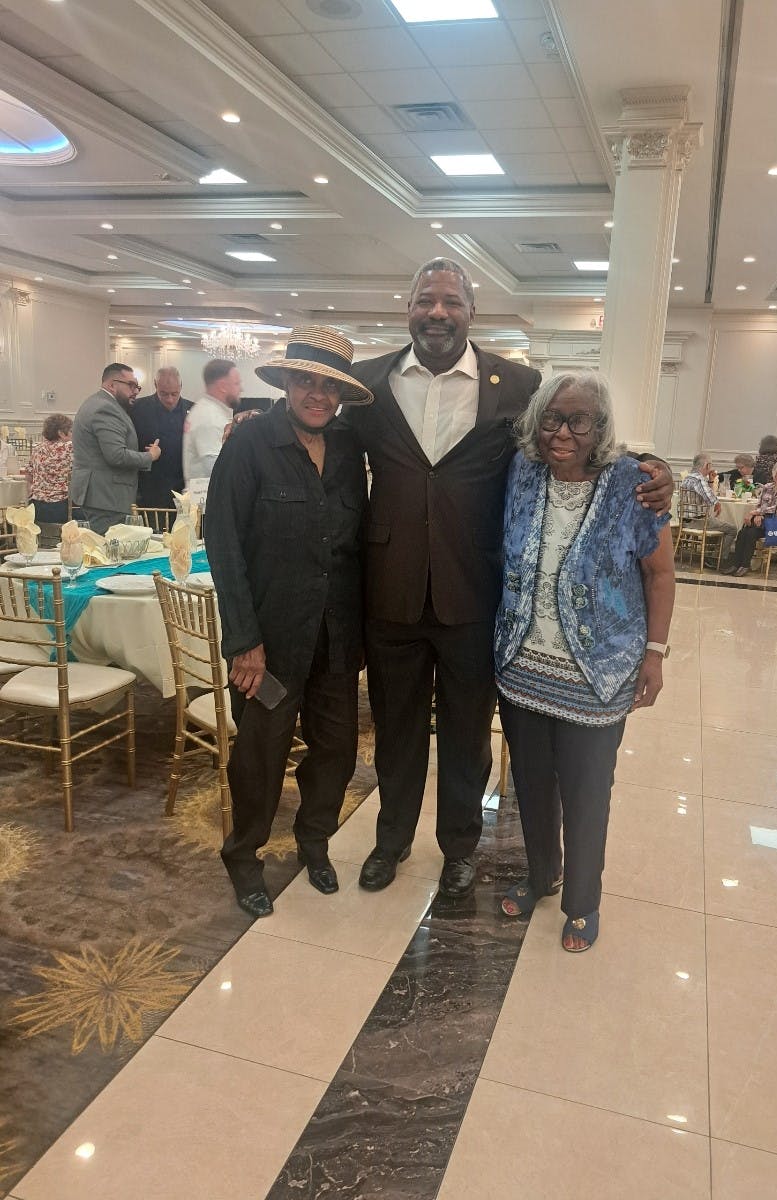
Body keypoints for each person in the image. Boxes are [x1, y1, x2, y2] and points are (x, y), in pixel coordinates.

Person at [342, 257, 673, 899]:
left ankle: (459, 847)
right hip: (391, 590)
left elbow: (581, 437)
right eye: (425, 300)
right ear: (406, 307)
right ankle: (391, 840)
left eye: (451, 302)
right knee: (397, 729)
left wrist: (652, 467)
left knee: (467, 735)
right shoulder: (366, 384)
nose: (437, 312)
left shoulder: (518, 382)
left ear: (472, 312)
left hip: (477, 595)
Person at [494, 373, 674, 952]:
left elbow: (660, 572)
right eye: (552, 418)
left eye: (579, 421)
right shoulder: (522, 471)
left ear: (600, 429)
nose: (563, 432)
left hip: (599, 674)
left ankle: (582, 902)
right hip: (523, 667)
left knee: (587, 791)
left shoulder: (634, 485)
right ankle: (541, 874)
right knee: (532, 785)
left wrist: (655, 653)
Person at [205, 327, 373, 918]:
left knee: (335, 753)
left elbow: (354, 548)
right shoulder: (249, 444)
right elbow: (222, 545)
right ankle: (244, 856)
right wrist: (243, 641)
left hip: (334, 639)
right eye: (306, 379)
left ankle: (314, 842)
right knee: (259, 757)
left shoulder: (351, 450)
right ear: (285, 381)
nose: (318, 394)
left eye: (330, 385)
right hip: (269, 645)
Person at [70, 363, 160, 534]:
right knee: (110, 555)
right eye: (131, 385)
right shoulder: (106, 408)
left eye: (137, 387)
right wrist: (150, 456)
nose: (135, 391)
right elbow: (116, 455)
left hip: (102, 496)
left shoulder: (99, 403)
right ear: (112, 385)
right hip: (106, 498)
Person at [131, 366, 192, 508]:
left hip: (184, 487)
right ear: (155, 385)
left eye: (174, 394)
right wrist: (145, 454)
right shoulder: (137, 409)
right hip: (149, 488)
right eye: (164, 394)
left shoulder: (193, 409)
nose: (170, 399)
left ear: (181, 387)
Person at [725, 461, 777, 577]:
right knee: (743, 532)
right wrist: (758, 514)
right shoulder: (767, 487)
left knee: (751, 532)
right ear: (774, 476)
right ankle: (736, 564)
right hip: (763, 519)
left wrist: (756, 513)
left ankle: (745, 565)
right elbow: (760, 504)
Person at [182, 359, 242, 498]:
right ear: (222, 386)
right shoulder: (209, 416)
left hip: (206, 501)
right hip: (206, 505)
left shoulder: (208, 411)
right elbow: (216, 468)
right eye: (237, 383)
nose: (241, 389)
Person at [679, 451, 738, 562]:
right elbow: (710, 498)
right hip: (697, 521)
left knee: (718, 524)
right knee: (732, 529)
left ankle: (711, 557)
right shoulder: (699, 479)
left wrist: (710, 480)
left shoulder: (688, 477)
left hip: (686, 520)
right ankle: (719, 559)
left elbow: (706, 493)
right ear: (707, 465)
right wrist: (717, 503)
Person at [26, 414, 73, 524]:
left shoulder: (37, 448)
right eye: (71, 431)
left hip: (37, 508)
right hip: (60, 508)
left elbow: (28, 476)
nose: (72, 435)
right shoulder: (69, 447)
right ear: (61, 433)